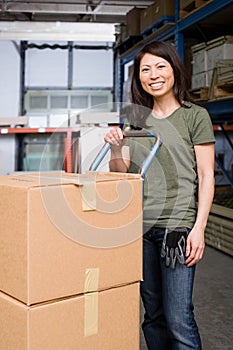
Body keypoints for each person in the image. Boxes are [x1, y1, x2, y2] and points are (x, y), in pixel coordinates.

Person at [104, 40, 215, 349]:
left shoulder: (195, 116)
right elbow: (121, 174)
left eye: (160, 66)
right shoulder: (135, 119)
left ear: (174, 70)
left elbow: (206, 176)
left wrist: (199, 229)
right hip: (140, 228)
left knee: (179, 318)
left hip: (177, 228)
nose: (153, 74)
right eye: (145, 69)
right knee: (152, 316)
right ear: (138, 77)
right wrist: (116, 145)